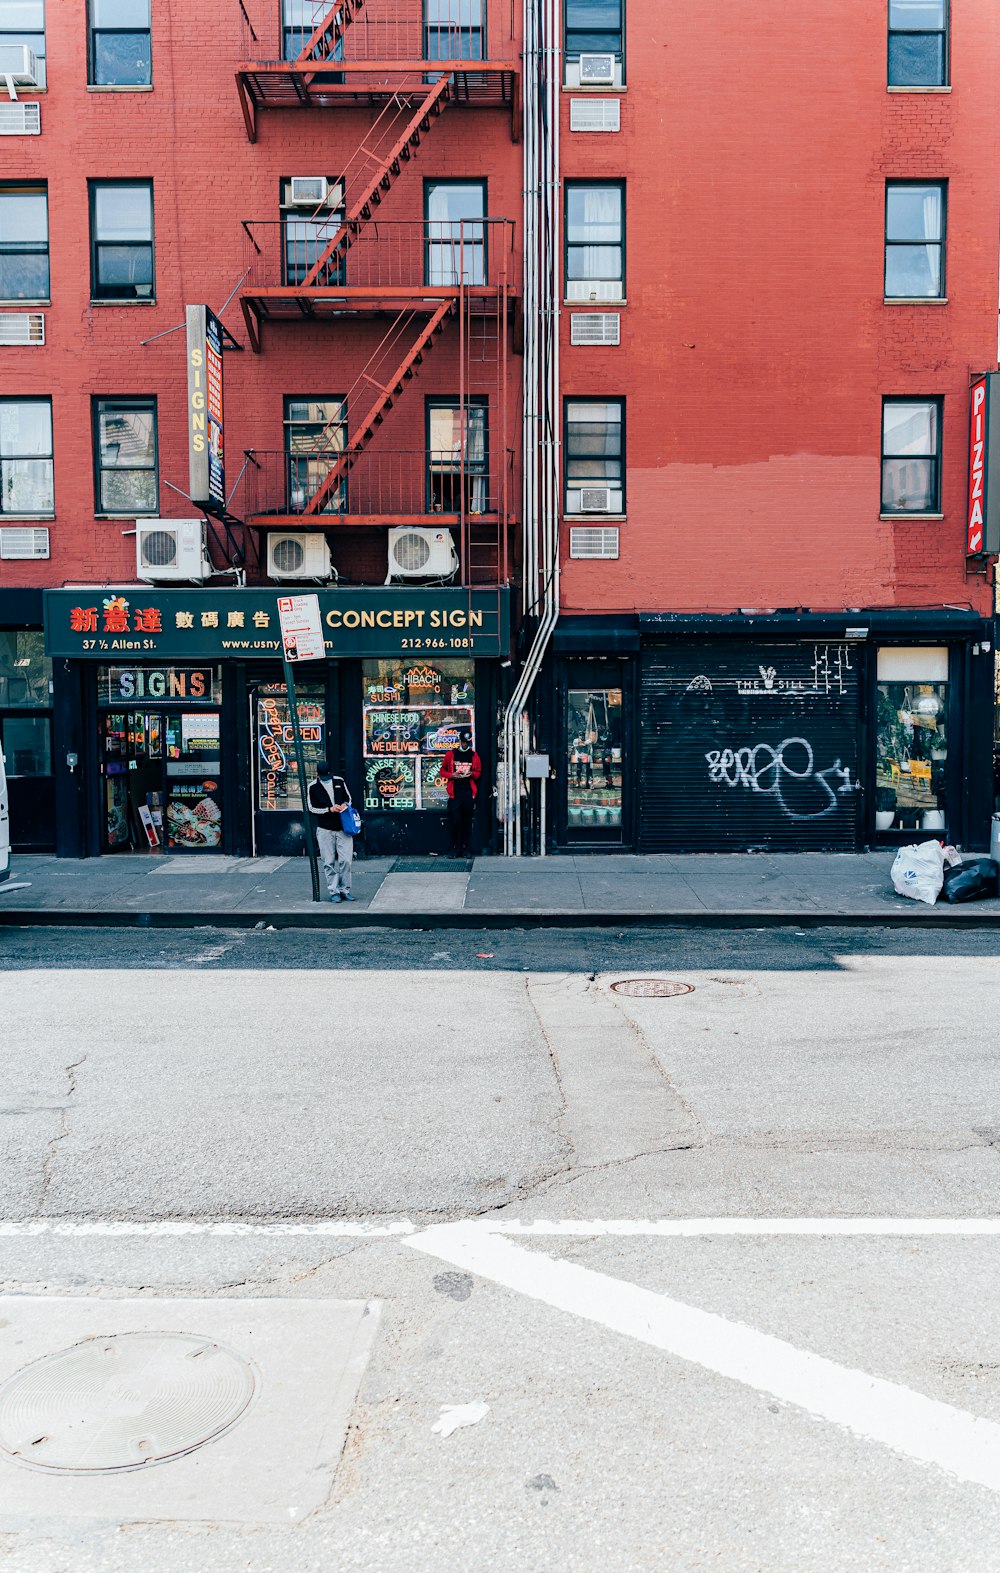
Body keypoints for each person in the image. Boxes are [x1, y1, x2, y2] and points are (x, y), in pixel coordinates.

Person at [307, 758, 355, 902]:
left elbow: (349, 799)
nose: (327, 779)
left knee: (346, 860)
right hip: (325, 829)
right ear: (318, 775)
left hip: (343, 828)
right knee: (328, 862)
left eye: (329, 776)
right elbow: (311, 808)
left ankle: (345, 889)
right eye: (324, 777)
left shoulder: (339, 781)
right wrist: (329, 809)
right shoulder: (313, 787)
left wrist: (345, 806)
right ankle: (334, 891)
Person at [439, 730, 482, 857]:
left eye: (467, 743)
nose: (465, 745)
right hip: (455, 794)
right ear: (460, 741)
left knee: (467, 822)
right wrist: (451, 775)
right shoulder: (450, 754)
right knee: (454, 822)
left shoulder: (474, 756)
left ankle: (466, 849)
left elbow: (478, 772)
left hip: (468, 793)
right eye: (463, 742)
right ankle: (455, 849)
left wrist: (471, 774)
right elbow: (442, 770)